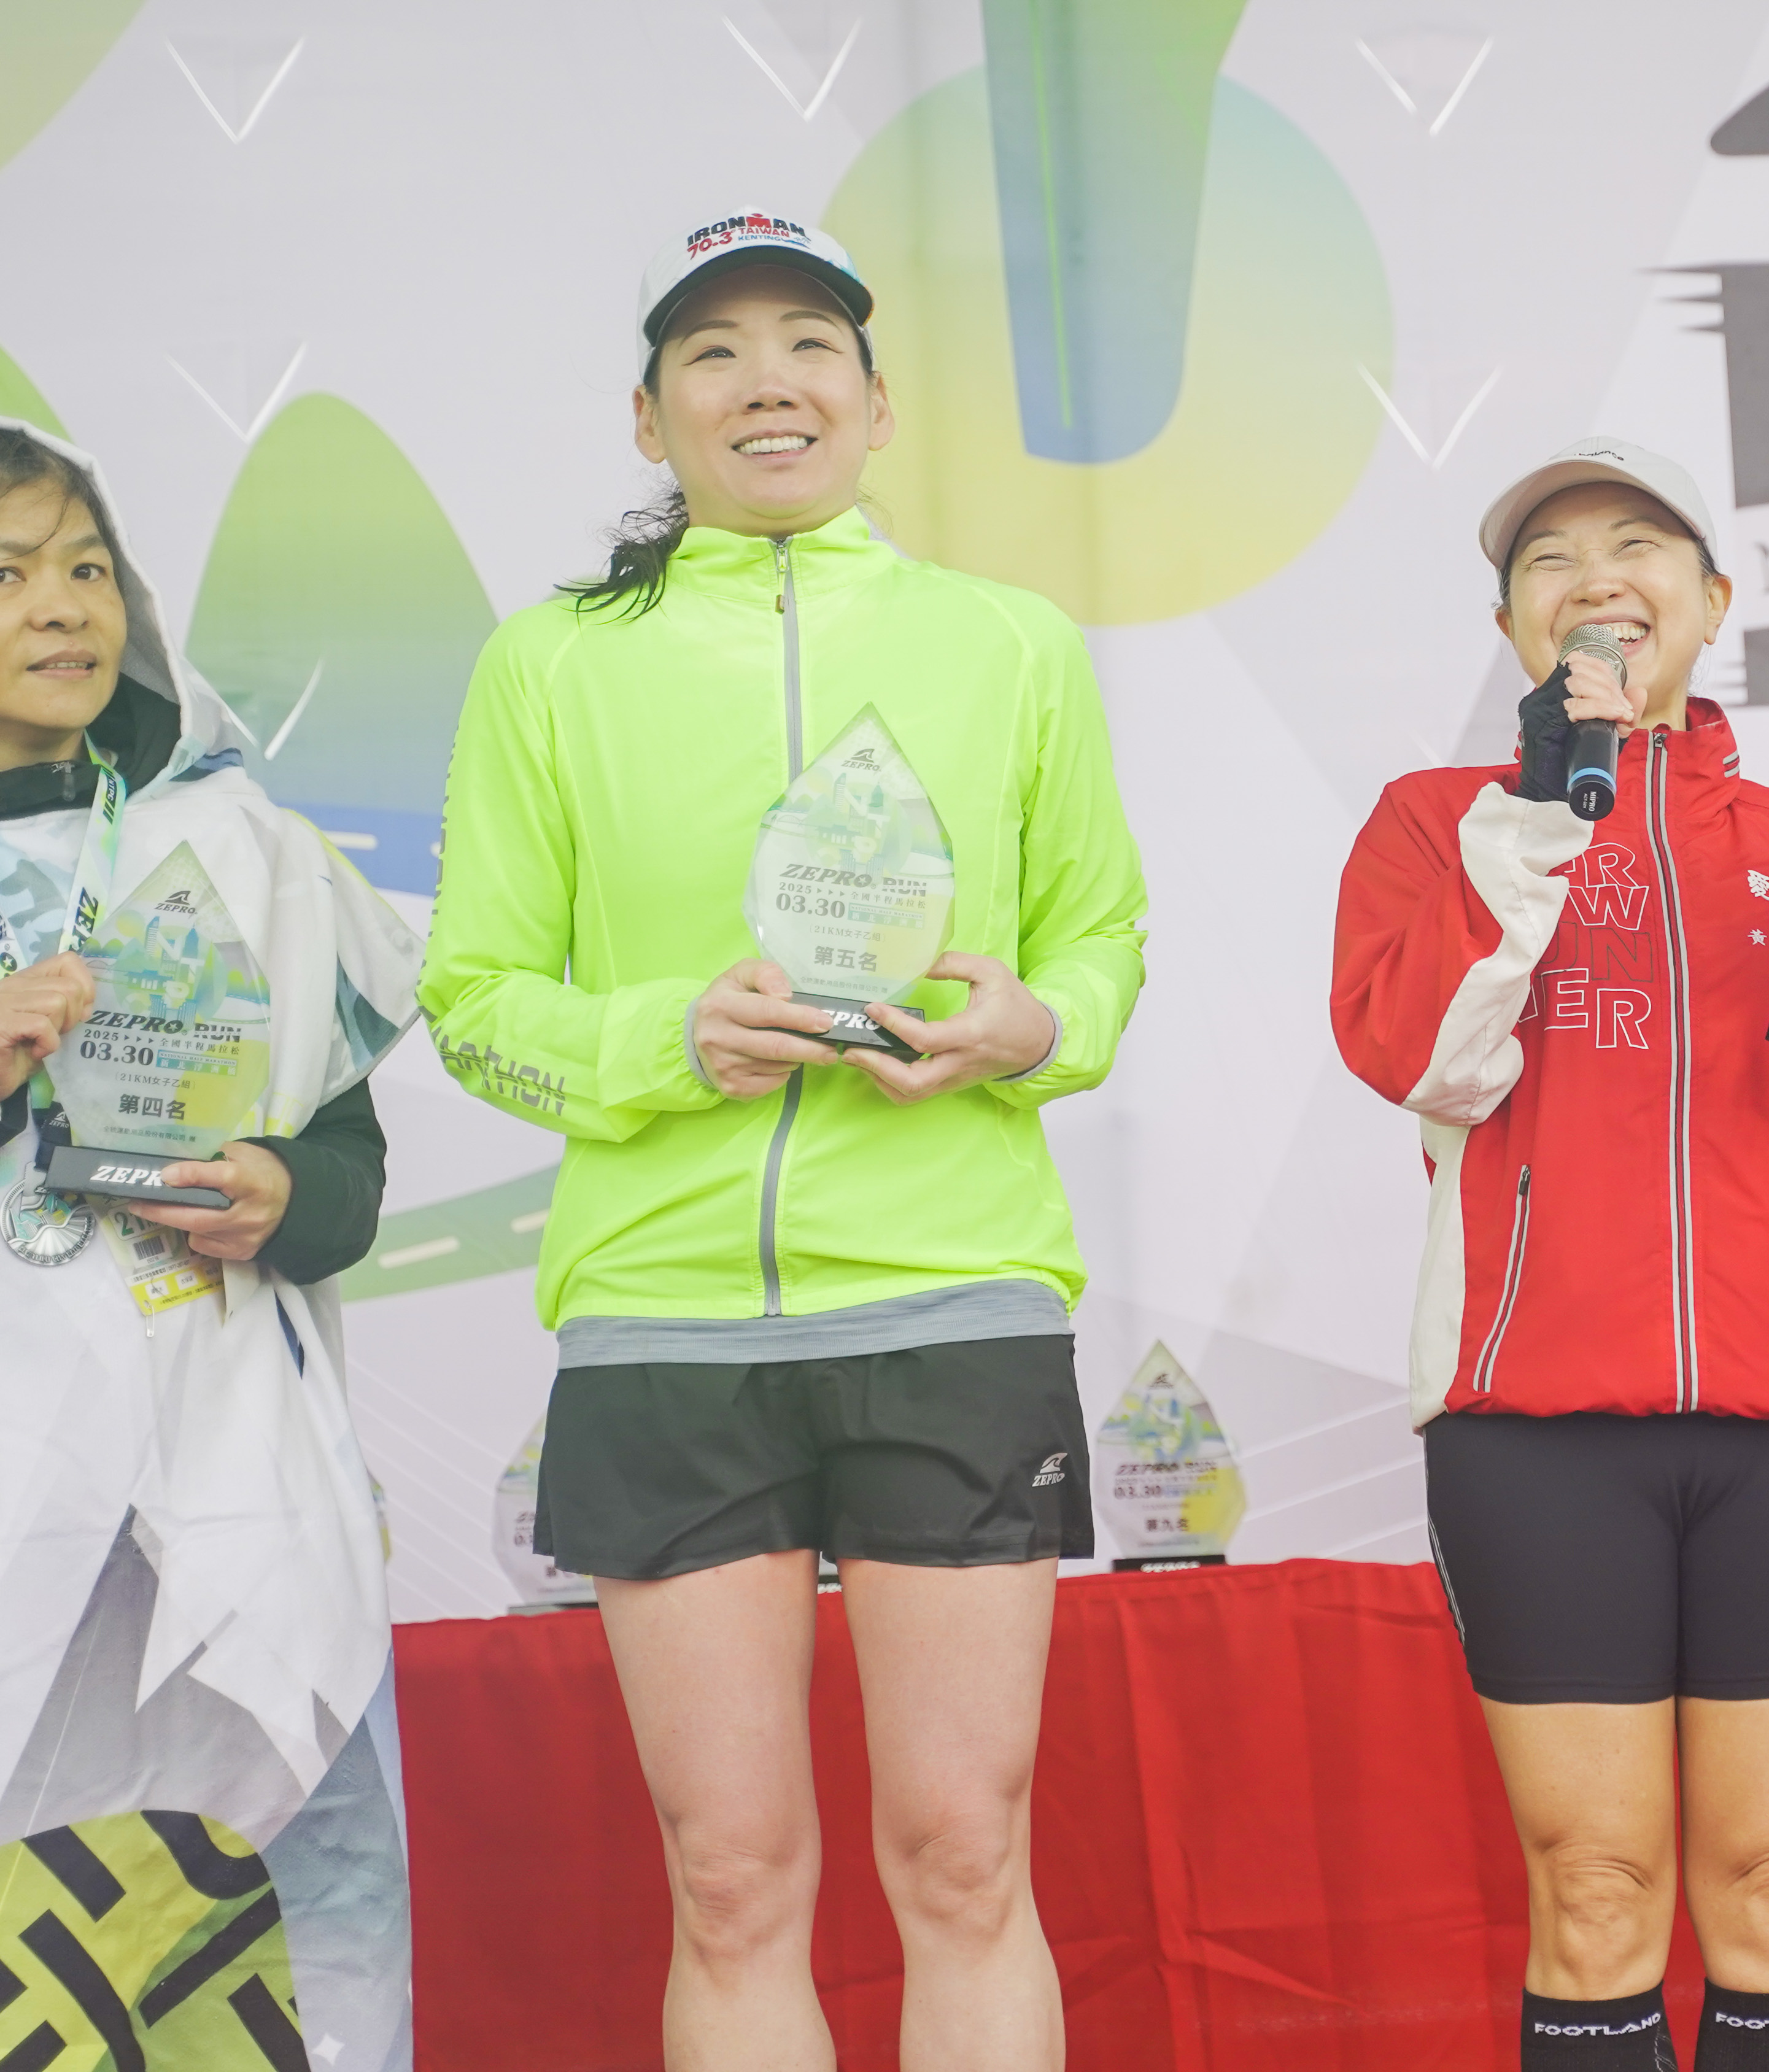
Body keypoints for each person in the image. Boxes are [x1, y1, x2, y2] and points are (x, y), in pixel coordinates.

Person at [418, 212, 1147, 2072]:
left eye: (811, 345)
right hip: (664, 1323)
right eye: (716, 352)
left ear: (877, 406)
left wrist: (1033, 1029)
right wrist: (665, 1039)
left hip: (953, 1302)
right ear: (648, 417)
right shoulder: (547, 666)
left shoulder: (1012, 644)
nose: (769, 383)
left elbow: (1101, 937)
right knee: (731, 1877)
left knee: (964, 1854)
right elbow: (476, 998)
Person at [1331, 437, 1769, 2072]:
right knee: (1598, 1894)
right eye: (1550, 560)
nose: (1598, 579)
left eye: (1638, 546)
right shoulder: (1438, 826)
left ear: (1713, 600)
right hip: (1534, 1433)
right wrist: (1542, 816)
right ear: (1509, 627)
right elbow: (1425, 1060)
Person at [0, 417, 421, 2062]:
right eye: (2, 572)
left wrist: (283, 1195)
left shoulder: (243, 850)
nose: (63, 607)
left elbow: (348, 1168)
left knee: (275, 1914)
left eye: (89, 568)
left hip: (219, 1477)